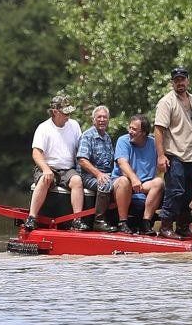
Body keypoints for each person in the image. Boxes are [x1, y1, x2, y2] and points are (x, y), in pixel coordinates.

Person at [154, 67, 192, 239]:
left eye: (182, 79)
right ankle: (166, 225)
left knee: (189, 191)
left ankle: (182, 225)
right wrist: (161, 155)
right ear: (172, 82)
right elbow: (158, 129)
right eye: (176, 80)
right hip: (174, 154)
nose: (180, 83)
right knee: (175, 191)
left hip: (190, 155)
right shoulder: (167, 102)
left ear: (188, 80)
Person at [24, 94, 86, 231]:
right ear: (55, 112)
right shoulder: (43, 128)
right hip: (48, 167)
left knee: (77, 181)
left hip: (67, 169)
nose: (68, 116)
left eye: (70, 112)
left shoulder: (74, 125)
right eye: (65, 113)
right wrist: (46, 169)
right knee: (44, 180)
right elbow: (36, 153)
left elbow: (80, 148)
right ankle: (32, 217)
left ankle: (77, 219)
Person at [77, 105, 130, 232]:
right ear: (93, 120)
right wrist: (98, 174)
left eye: (104, 117)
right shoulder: (87, 136)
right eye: (99, 117)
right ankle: (99, 221)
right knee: (105, 183)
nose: (102, 120)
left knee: (124, 182)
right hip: (88, 176)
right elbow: (82, 160)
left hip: (107, 174)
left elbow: (112, 162)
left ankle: (122, 221)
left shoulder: (106, 137)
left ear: (108, 120)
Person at [111, 114, 165, 235]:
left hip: (143, 186)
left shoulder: (153, 143)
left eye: (134, 129)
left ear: (144, 132)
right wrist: (134, 178)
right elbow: (122, 162)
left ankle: (146, 223)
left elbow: (163, 163)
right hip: (123, 184)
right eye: (130, 128)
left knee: (159, 182)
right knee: (124, 181)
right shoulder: (123, 140)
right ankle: (122, 222)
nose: (130, 131)